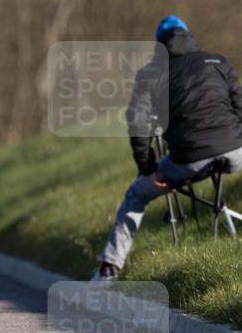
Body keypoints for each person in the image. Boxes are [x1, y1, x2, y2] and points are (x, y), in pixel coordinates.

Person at [93, 16, 242, 280]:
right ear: (188, 36)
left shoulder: (151, 74)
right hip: (235, 150)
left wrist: (148, 169)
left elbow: (138, 123)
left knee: (136, 193)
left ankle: (109, 268)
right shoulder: (218, 61)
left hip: (189, 160)